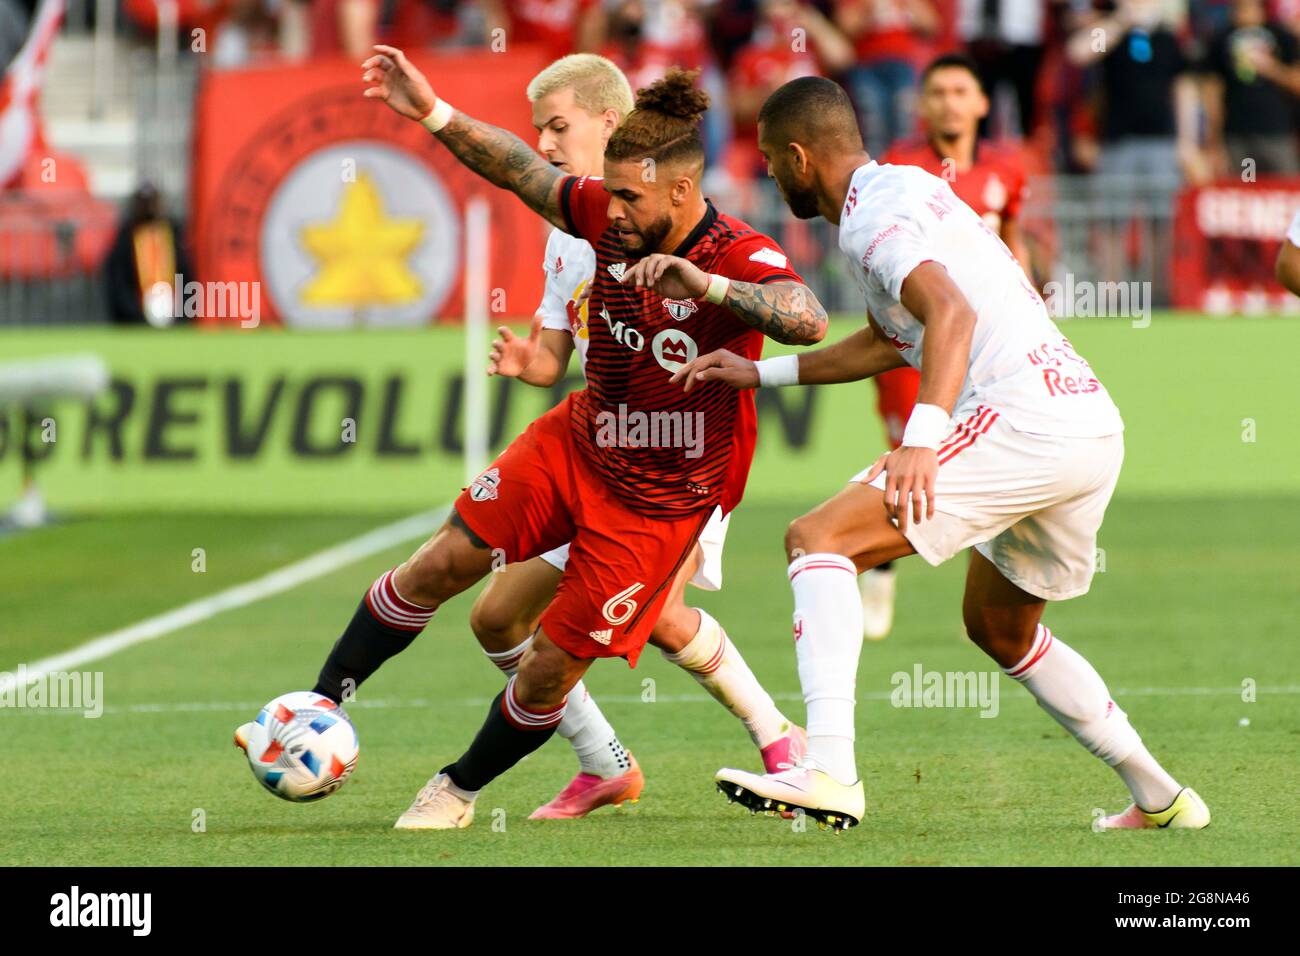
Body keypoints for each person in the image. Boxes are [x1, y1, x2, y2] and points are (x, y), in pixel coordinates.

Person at [298, 51, 828, 830]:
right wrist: (434, 112)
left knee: (552, 663)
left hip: (661, 499)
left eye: (626, 197)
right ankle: (315, 706)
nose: (605, 211)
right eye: (604, 192)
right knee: (447, 564)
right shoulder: (598, 217)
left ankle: (459, 789)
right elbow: (517, 170)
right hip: (580, 441)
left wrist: (708, 288)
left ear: (680, 191)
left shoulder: (734, 253)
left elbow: (807, 316)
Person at [674, 76, 1209, 834]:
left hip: (1021, 419)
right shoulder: (905, 191)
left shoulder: (871, 223)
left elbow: (949, 314)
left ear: (799, 156)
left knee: (816, 540)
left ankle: (829, 769)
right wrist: (762, 372)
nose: (765, 172)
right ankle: (1161, 797)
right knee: (1000, 628)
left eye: (768, 158)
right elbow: (899, 338)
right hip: (1087, 426)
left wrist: (920, 444)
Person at [469, 53, 808, 820]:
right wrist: (532, 362)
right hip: (601, 451)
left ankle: (781, 739)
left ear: (612, 126)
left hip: (686, 463)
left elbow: (795, 310)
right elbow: (559, 353)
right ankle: (603, 762)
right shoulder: (569, 233)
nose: (547, 144)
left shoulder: (692, 227)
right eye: (539, 131)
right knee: (496, 620)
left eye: (559, 127)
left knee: (647, 613)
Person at [859, 52, 1033, 640]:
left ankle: (993, 578)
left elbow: (1012, 240)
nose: (949, 102)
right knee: (911, 455)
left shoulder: (1007, 169)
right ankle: (878, 570)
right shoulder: (900, 168)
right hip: (920, 338)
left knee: (992, 449)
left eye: (961, 91)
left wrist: (1030, 298)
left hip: (988, 343)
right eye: (937, 92)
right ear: (922, 105)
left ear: (982, 104)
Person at [1201, 0, 1300, 177]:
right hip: (1238, 134)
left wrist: (1271, 68)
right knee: (1247, 189)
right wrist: (1214, 139)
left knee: (1284, 194)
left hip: (1276, 134)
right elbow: (1213, 91)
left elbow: (1296, 82)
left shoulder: (1282, 36)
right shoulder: (1221, 38)